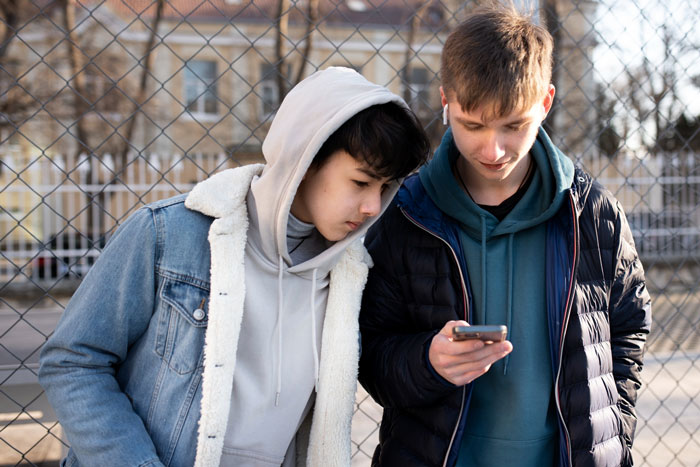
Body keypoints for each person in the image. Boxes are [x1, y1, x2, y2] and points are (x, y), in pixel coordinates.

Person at [38, 66, 430, 467]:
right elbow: (73, 361)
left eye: (385, 188)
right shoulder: (167, 234)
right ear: (306, 160)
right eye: (361, 183)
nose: (372, 207)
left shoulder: (349, 275)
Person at [357, 3, 652, 467]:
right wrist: (427, 362)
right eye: (472, 125)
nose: (492, 149)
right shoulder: (405, 216)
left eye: (514, 125)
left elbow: (629, 326)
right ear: (445, 101)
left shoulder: (594, 214)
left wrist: (614, 429)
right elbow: (370, 350)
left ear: (546, 102)